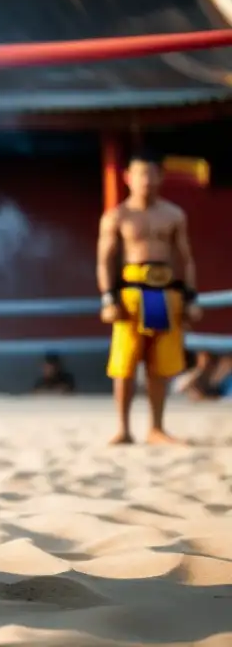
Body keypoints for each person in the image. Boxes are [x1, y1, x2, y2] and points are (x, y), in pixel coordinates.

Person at [97, 149, 203, 445]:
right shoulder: (117, 216)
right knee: (125, 363)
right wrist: (108, 297)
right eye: (140, 173)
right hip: (130, 293)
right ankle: (123, 428)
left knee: (159, 362)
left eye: (151, 173)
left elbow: (186, 258)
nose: (146, 180)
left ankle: (156, 427)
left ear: (160, 177)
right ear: (128, 177)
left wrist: (191, 297)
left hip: (164, 292)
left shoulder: (173, 214)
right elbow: (105, 260)